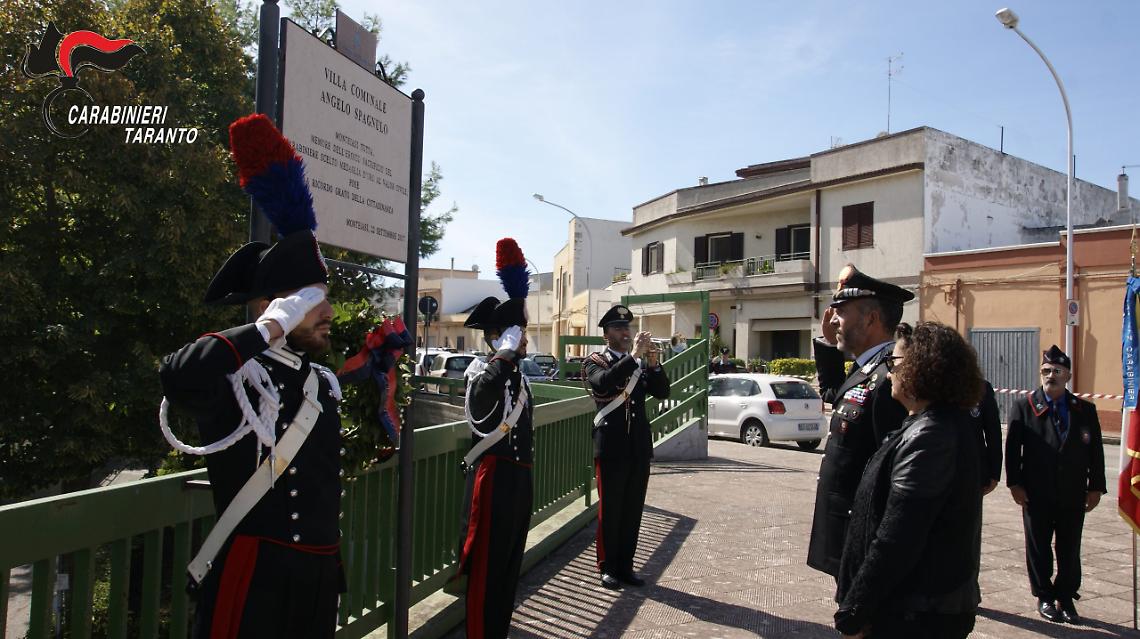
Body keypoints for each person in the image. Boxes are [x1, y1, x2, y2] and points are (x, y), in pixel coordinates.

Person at [159, 114, 346, 639]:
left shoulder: (321, 383)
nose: (327, 312)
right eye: (309, 302)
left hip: (317, 580)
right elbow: (179, 376)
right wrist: (266, 329)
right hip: (255, 584)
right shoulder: (239, 376)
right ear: (273, 308)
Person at [835, 322, 985, 639]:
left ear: (922, 367)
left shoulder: (931, 437)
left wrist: (856, 608)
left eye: (895, 362)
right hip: (916, 605)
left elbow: (899, 535)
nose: (889, 372)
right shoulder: (929, 424)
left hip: (915, 613)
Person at [807, 265, 911, 577]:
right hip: (847, 531)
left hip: (863, 537)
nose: (832, 320)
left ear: (870, 319)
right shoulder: (866, 369)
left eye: (841, 312)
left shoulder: (889, 378)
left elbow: (891, 476)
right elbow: (835, 394)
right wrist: (829, 344)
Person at [455, 239, 534, 639]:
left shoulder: (517, 375)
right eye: (518, 334)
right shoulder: (482, 371)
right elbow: (482, 403)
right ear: (500, 337)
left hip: (518, 479)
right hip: (493, 480)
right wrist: (503, 354)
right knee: (486, 570)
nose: (525, 339)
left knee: (508, 567)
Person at [1005, 345, 1107, 625]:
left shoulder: (1084, 409)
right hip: (1035, 492)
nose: (1051, 375)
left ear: (1068, 376)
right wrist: (1014, 484)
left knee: (1069, 547)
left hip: (1072, 492)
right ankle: (1044, 596)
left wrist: (1096, 486)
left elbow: (1095, 451)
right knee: (1038, 546)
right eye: (1046, 370)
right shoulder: (1024, 406)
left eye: (1057, 371)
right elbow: (1012, 450)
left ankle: (1066, 595)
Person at [585, 305, 671, 589]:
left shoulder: (640, 365)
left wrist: (654, 363)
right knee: (611, 510)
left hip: (638, 447)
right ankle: (607, 566)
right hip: (611, 448)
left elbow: (662, 392)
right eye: (619, 328)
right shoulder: (595, 361)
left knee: (633, 509)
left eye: (627, 328)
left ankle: (626, 565)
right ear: (606, 334)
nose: (625, 332)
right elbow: (603, 384)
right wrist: (634, 356)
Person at [972, 381, 1003, 494]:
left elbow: (993, 432)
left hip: (972, 472)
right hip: (937, 470)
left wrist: (994, 473)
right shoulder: (935, 386)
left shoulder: (981, 387)